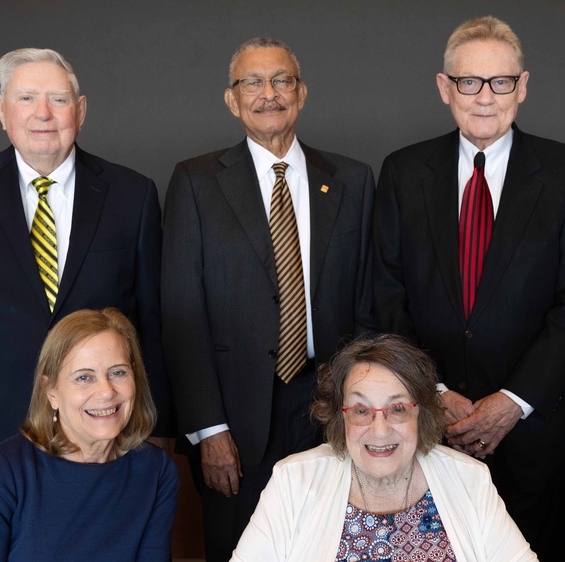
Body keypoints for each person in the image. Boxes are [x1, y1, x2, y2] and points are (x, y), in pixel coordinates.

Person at [370, 16, 565, 559]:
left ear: (522, 87)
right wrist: (436, 393)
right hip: (425, 424)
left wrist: (512, 402)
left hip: (528, 427)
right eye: (469, 82)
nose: (485, 97)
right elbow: (387, 293)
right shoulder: (403, 173)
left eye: (500, 82)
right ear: (445, 87)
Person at [162, 36, 376, 562]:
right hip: (234, 418)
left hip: (329, 404)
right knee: (242, 548)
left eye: (281, 80)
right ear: (232, 100)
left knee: (331, 543)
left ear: (300, 93)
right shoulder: (195, 182)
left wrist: (367, 409)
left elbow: (371, 306)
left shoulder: (350, 180)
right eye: (252, 82)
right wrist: (208, 428)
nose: (268, 94)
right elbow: (181, 315)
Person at [0, 47, 169, 496]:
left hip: (106, 424)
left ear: (81, 110)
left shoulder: (133, 195)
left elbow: (153, 320)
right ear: (1, 109)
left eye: (58, 99)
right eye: (26, 98)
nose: (43, 114)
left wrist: (155, 425)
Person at [232, 335, 536, 561]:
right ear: (340, 416)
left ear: (422, 413)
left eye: (398, 409)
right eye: (362, 411)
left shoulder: (470, 478)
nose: (379, 430)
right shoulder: (293, 481)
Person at [0, 308, 178, 560]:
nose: (106, 391)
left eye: (118, 372)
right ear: (51, 391)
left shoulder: (156, 471)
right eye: (84, 377)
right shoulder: (2, 469)